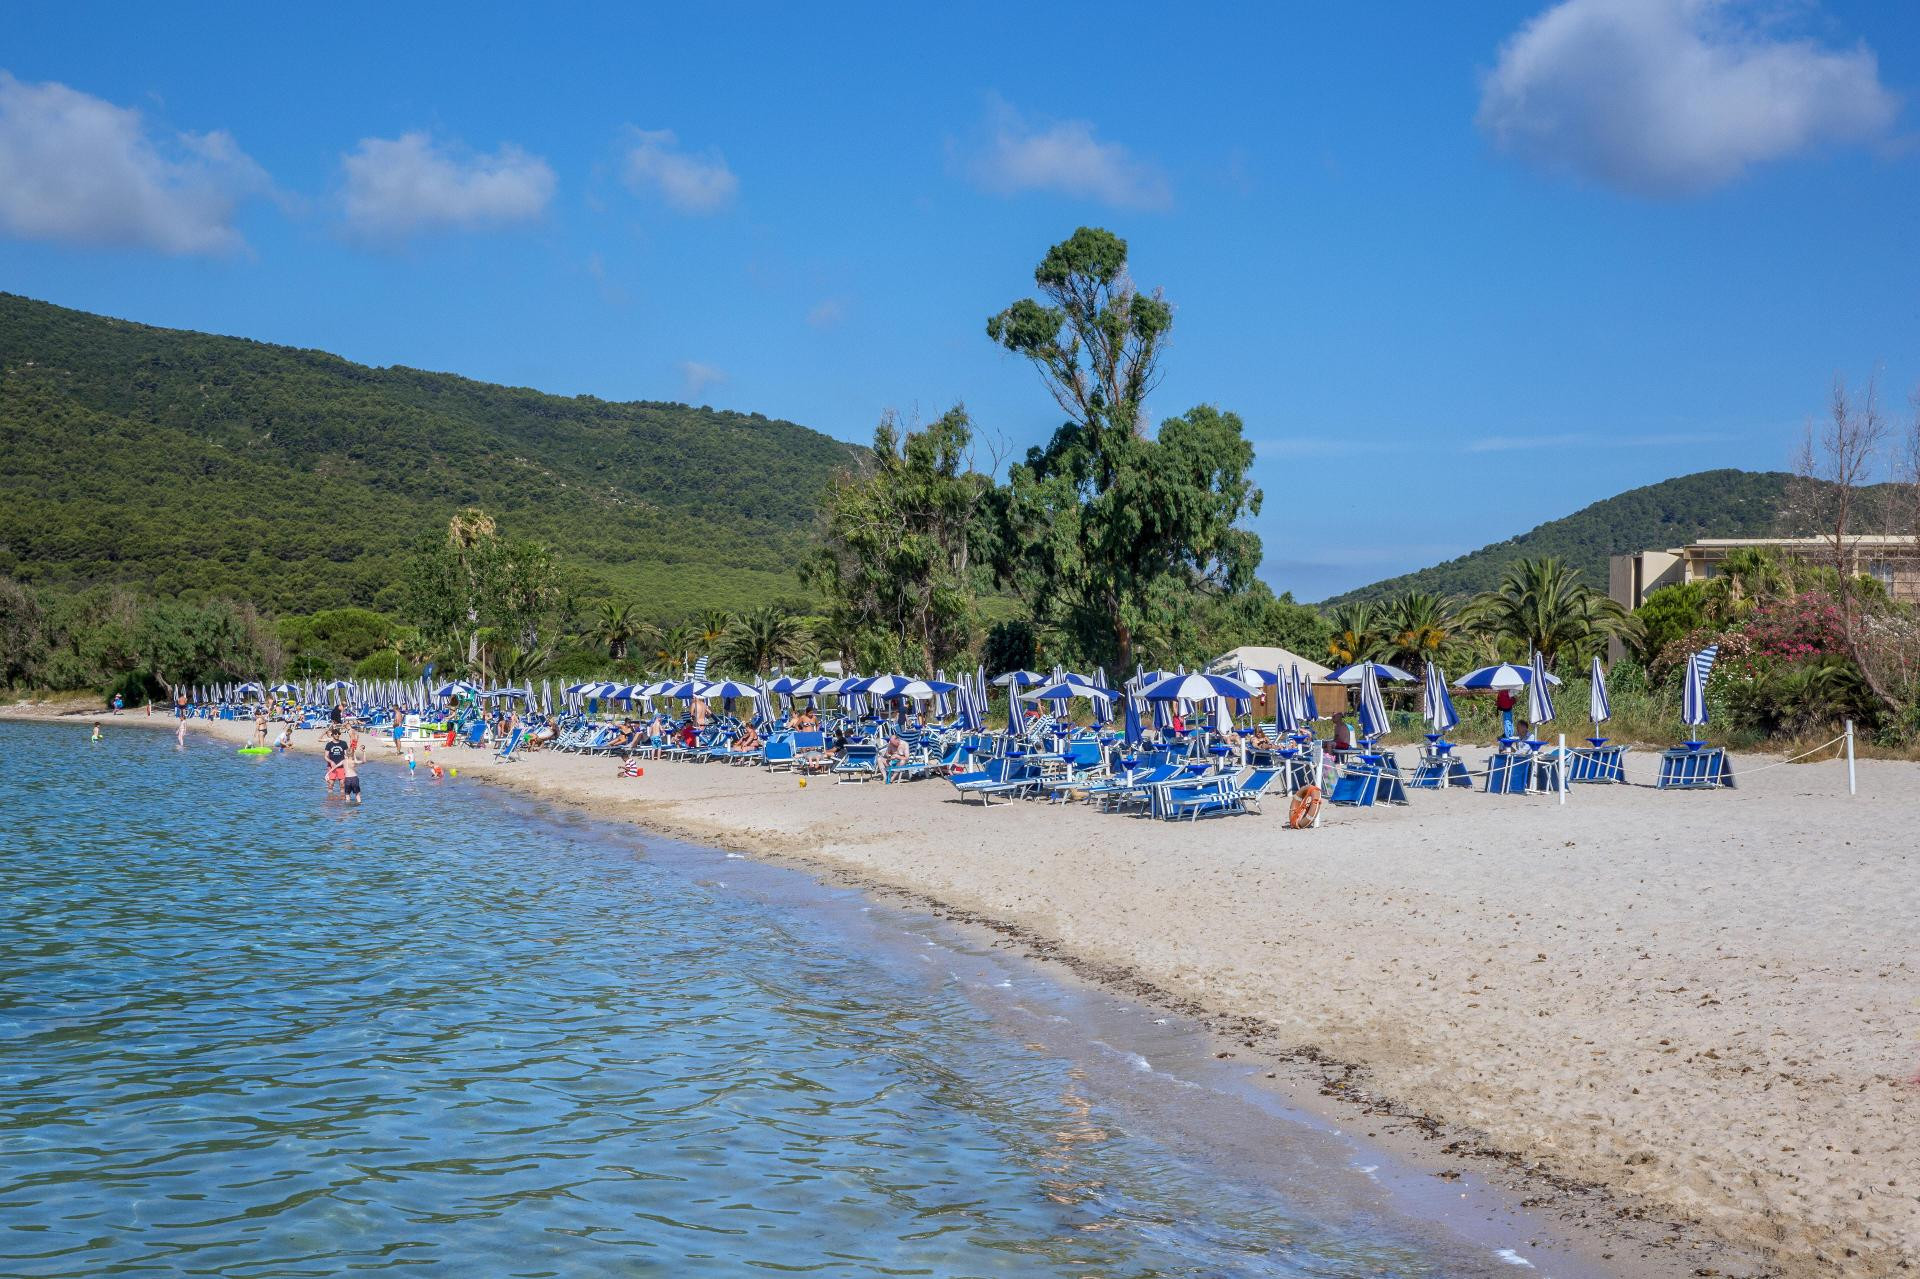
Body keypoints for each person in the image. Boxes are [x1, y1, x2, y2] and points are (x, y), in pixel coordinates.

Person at [322, 729, 349, 795]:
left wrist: (348, 764)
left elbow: (346, 755)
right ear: (332, 735)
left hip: (342, 767)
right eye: (335, 734)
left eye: (338, 734)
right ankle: (330, 800)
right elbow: (325, 756)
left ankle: (342, 800)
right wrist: (331, 761)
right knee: (331, 784)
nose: (337, 735)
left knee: (342, 785)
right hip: (331, 767)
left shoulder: (343, 743)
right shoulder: (329, 744)